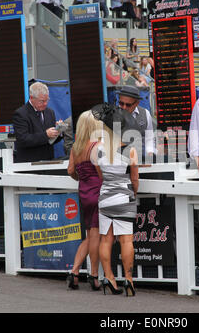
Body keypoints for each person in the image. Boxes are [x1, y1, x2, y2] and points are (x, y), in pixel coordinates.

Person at [91, 103, 139, 296]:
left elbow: (100, 176)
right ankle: (129, 280)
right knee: (126, 240)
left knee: (106, 239)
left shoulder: (97, 150)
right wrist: (133, 192)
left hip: (105, 196)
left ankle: (109, 278)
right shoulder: (131, 150)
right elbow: (134, 179)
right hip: (123, 195)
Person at [67, 110, 103, 291]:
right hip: (97, 191)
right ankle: (94, 275)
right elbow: (101, 174)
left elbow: (70, 170)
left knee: (90, 235)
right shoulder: (97, 146)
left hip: (84, 191)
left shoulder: (76, 147)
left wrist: (82, 177)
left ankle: (74, 272)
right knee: (95, 235)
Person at [13, 81, 63, 163]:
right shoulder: (21, 114)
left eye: (47, 100)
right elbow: (23, 139)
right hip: (30, 163)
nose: (45, 104)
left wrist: (58, 132)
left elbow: (50, 141)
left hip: (49, 161)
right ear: (31, 98)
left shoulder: (50, 112)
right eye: (42, 101)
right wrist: (46, 135)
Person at [117, 85, 155, 158]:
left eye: (128, 105)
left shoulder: (145, 114)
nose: (124, 107)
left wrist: (150, 152)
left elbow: (149, 138)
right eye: (121, 103)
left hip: (142, 157)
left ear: (137, 103)